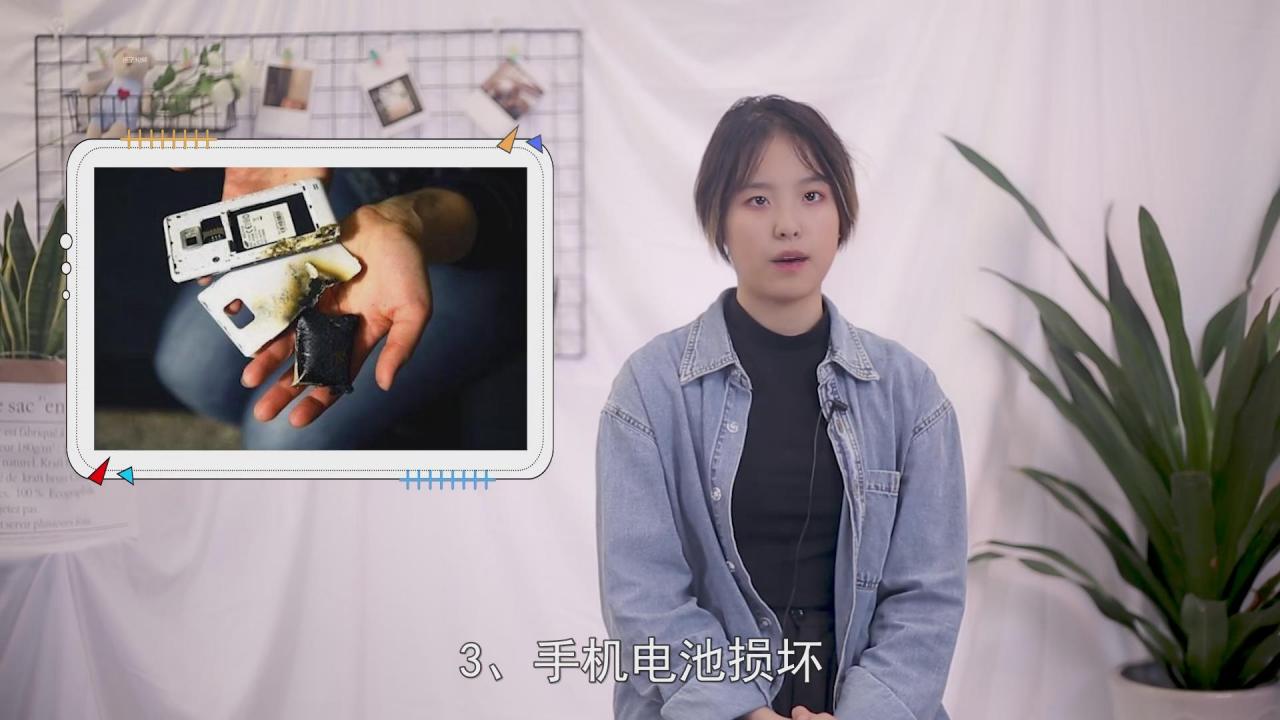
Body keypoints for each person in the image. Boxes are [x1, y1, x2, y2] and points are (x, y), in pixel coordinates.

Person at [595, 96, 967, 720]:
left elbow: (927, 597)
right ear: (718, 219)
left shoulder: (910, 394)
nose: (788, 225)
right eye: (757, 200)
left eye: (812, 195)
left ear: (841, 212)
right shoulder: (651, 390)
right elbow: (642, 596)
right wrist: (743, 712)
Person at [154, 166, 525, 449]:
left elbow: (515, 193)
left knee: (278, 441)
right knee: (188, 369)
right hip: (347, 178)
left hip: (479, 233)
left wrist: (406, 222)